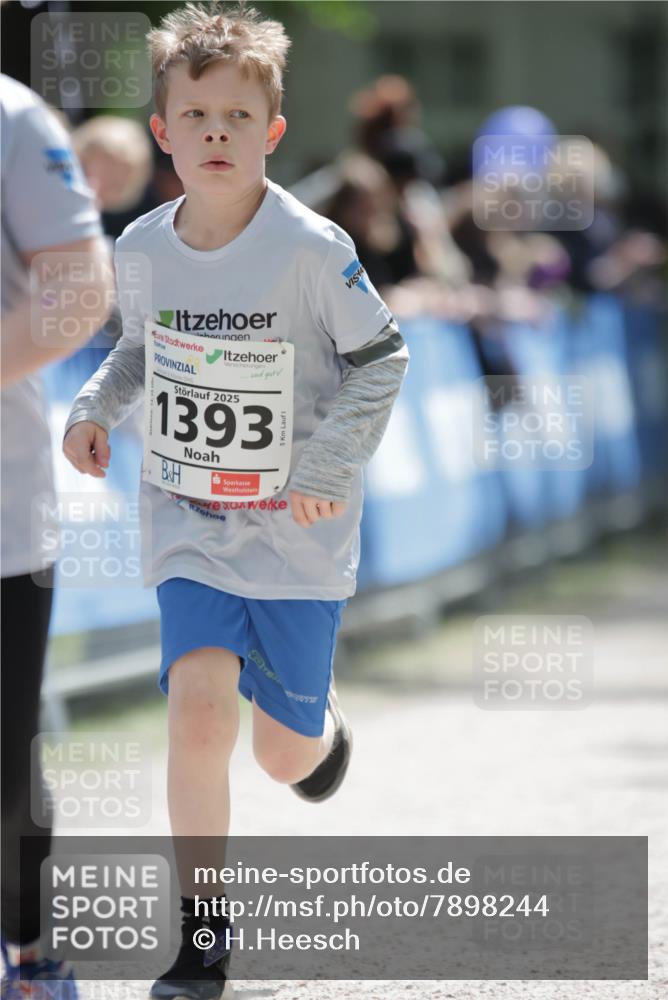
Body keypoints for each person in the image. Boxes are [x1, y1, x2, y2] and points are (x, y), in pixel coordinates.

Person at [61, 4, 409, 998]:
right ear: (163, 131)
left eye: (237, 118)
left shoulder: (311, 246)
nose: (216, 134)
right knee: (199, 714)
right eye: (196, 116)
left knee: (281, 757)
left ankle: (316, 730)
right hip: (189, 522)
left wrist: (326, 466)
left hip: (297, 532)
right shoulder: (143, 245)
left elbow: (382, 357)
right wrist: (94, 407)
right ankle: (202, 938)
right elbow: (139, 351)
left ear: (273, 131)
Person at [0, 73, 112, 998]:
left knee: (2, 761)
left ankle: (33, 956)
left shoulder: (10, 117)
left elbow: (80, 292)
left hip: (2, 516)